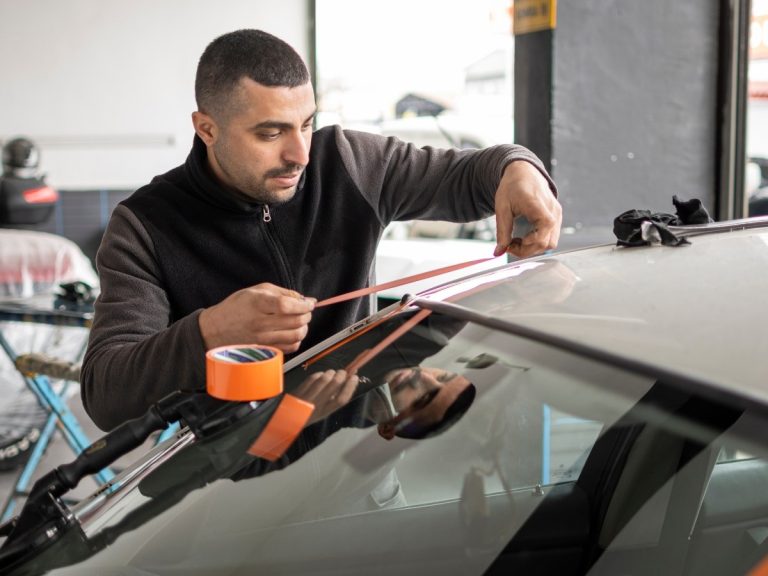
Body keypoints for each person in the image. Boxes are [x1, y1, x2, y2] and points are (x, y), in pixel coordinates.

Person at [80, 28, 562, 432]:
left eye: (307, 124)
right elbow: (105, 394)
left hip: (358, 459)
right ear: (207, 129)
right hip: (227, 492)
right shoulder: (144, 226)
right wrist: (210, 331)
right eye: (270, 133)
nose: (301, 155)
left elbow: (473, 174)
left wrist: (518, 168)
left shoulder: (348, 163)